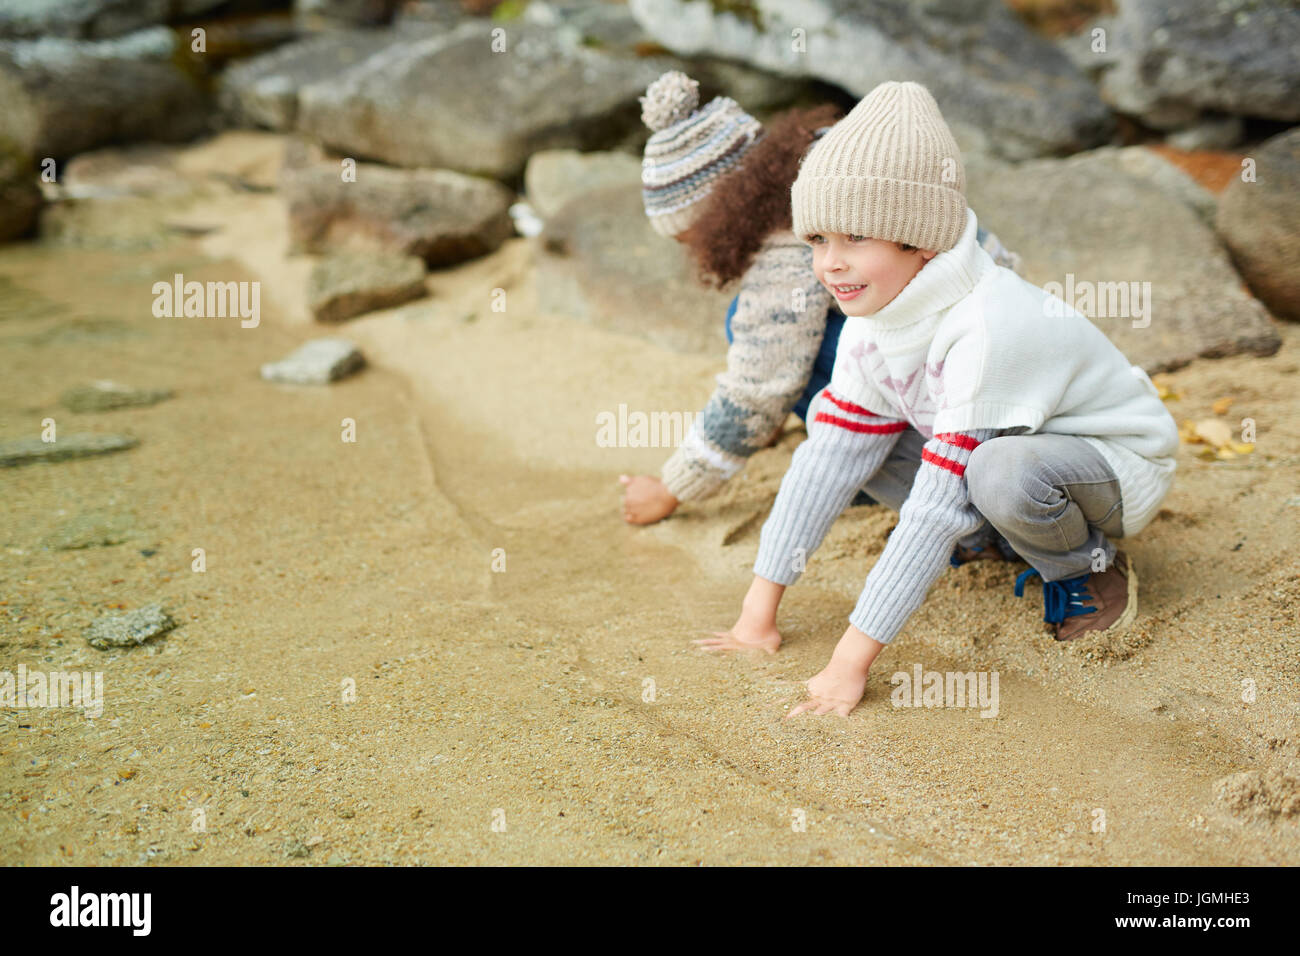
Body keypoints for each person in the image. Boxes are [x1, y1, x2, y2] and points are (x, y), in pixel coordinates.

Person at [699, 81, 1179, 719]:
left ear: (921, 239)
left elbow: (933, 507)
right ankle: (999, 541)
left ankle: (1085, 568)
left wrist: (848, 666)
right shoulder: (875, 317)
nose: (830, 265)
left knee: (994, 471)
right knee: (844, 429)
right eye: (817, 240)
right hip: (1011, 451)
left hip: (1111, 466)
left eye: (855, 240)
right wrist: (755, 618)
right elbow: (827, 463)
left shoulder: (986, 322)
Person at [618, 71, 1024, 545]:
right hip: (997, 315)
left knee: (766, 332)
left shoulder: (792, 240)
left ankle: (900, 475)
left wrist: (671, 488)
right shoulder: (832, 155)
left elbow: (758, 386)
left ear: (724, 210)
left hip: (961, 391)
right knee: (787, 319)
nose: (697, 251)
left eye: (695, 237)